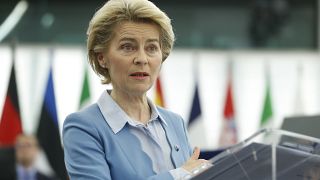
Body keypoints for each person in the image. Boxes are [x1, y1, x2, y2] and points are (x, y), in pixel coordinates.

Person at [62, 0, 210, 179]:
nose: (142, 58)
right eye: (127, 47)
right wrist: (179, 175)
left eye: (151, 48)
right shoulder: (83, 127)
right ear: (102, 58)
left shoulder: (175, 122)